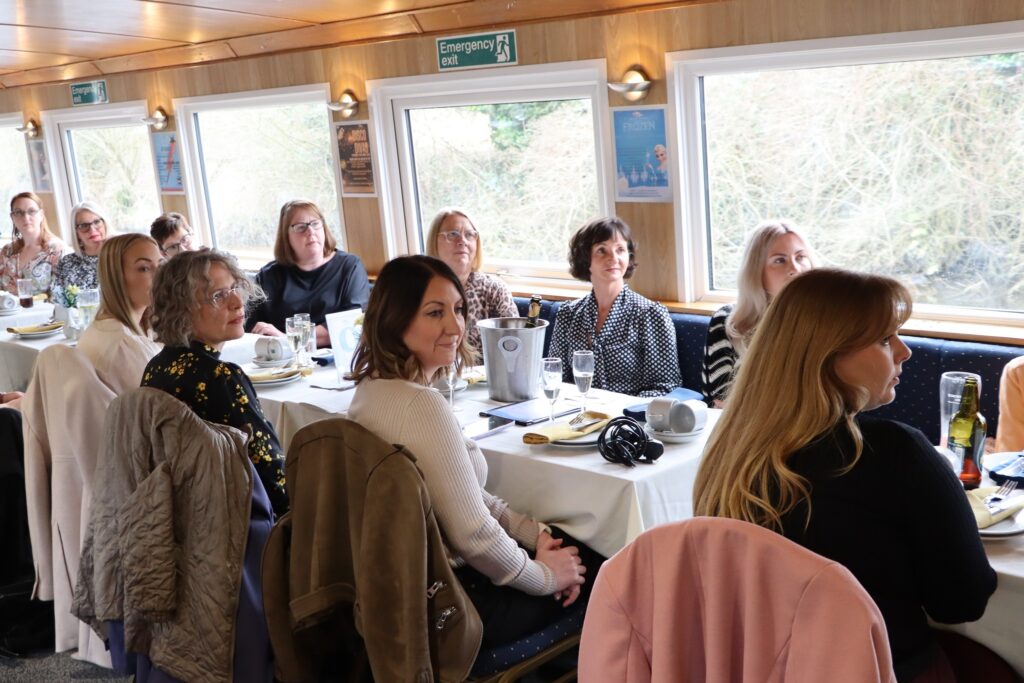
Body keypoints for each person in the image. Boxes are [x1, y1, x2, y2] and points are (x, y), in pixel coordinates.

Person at [692, 268, 996, 683]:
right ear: (827, 354)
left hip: (760, 669)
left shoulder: (731, 450)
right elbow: (963, 601)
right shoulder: (894, 453)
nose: (904, 351)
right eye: (885, 339)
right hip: (877, 669)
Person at [347, 255, 602, 647]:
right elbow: (475, 537)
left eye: (458, 309)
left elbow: (459, 493)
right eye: (435, 313)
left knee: (567, 545)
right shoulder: (421, 405)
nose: (455, 326)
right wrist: (546, 576)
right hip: (458, 604)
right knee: (606, 565)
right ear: (395, 320)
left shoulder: (371, 390)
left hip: (408, 596)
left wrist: (534, 536)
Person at [142, 248, 288, 516]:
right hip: (238, 525)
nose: (236, 303)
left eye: (234, 288)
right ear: (182, 310)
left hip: (184, 518)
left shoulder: (156, 367)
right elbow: (272, 473)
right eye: (218, 296)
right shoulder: (219, 377)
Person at [548, 217, 680, 397]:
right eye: (602, 250)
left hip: (629, 419)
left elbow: (665, 386)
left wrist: (621, 412)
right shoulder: (568, 314)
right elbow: (556, 378)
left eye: (620, 250)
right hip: (576, 415)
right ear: (585, 259)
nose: (614, 258)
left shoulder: (650, 314)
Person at [701, 219, 816, 406]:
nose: (795, 269)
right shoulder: (727, 320)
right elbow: (720, 399)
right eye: (780, 260)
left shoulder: (826, 319)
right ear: (756, 271)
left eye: (801, 257)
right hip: (743, 429)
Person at [246, 199, 370, 348]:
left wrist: (288, 340)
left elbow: (349, 325)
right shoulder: (268, 276)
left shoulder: (349, 267)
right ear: (286, 237)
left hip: (336, 360)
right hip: (282, 362)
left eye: (315, 224)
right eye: (300, 227)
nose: (310, 231)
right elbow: (252, 328)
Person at [425, 207, 516, 356]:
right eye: (453, 234)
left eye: (469, 235)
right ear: (434, 241)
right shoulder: (420, 289)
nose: (462, 241)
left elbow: (517, 346)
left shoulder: (494, 289)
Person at [77, 234, 162, 394]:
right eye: (144, 268)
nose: (159, 276)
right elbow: (160, 407)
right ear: (117, 277)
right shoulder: (123, 345)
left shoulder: (125, 327)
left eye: (160, 265)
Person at [0, 192, 64, 296]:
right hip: (7, 311)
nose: (25, 217)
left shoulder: (56, 249)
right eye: (19, 212)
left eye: (32, 211)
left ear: (41, 215)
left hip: (44, 312)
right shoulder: (6, 251)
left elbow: (61, 296)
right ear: (12, 217)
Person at [53, 201, 110, 291]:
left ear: (105, 223)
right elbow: (57, 298)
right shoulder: (66, 262)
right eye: (84, 225)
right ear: (76, 232)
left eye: (96, 222)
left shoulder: (120, 258)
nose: (92, 229)